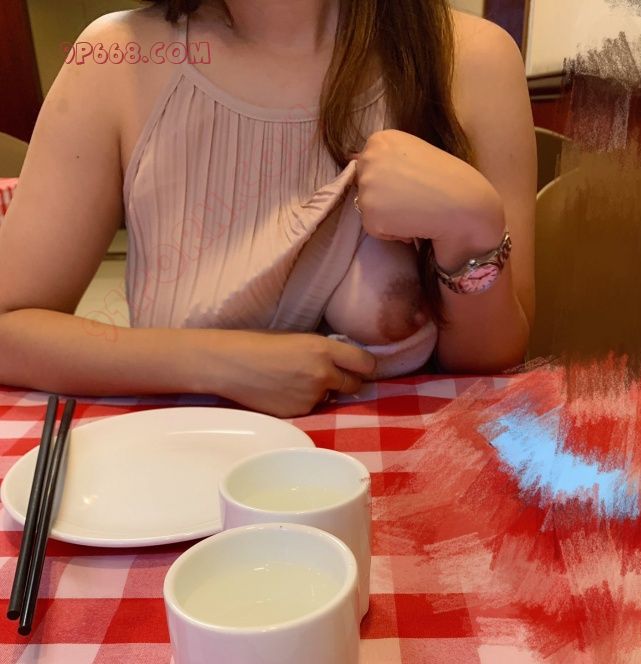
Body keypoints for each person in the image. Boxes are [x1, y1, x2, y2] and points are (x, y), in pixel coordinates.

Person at [0, 0, 535, 416]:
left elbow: (491, 362)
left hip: (419, 485)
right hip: (186, 478)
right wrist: (219, 362)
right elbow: (9, 330)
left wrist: (472, 228)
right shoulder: (116, 58)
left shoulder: (472, 59)